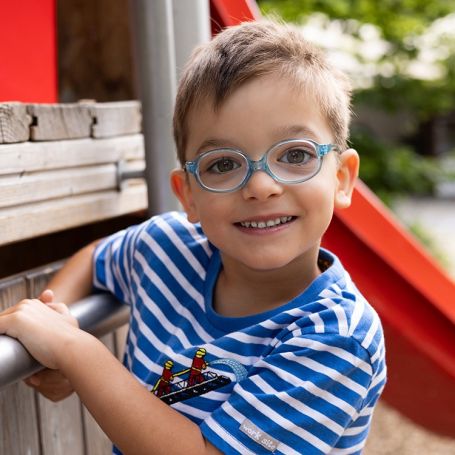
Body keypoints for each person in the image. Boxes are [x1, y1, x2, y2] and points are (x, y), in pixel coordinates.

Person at [0, 19, 386, 455]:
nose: (261, 186)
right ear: (188, 197)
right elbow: (95, 258)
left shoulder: (337, 336)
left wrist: (73, 351)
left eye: (295, 154)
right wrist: (57, 322)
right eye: (223, 164)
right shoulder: (165, 250)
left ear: (342, 178)